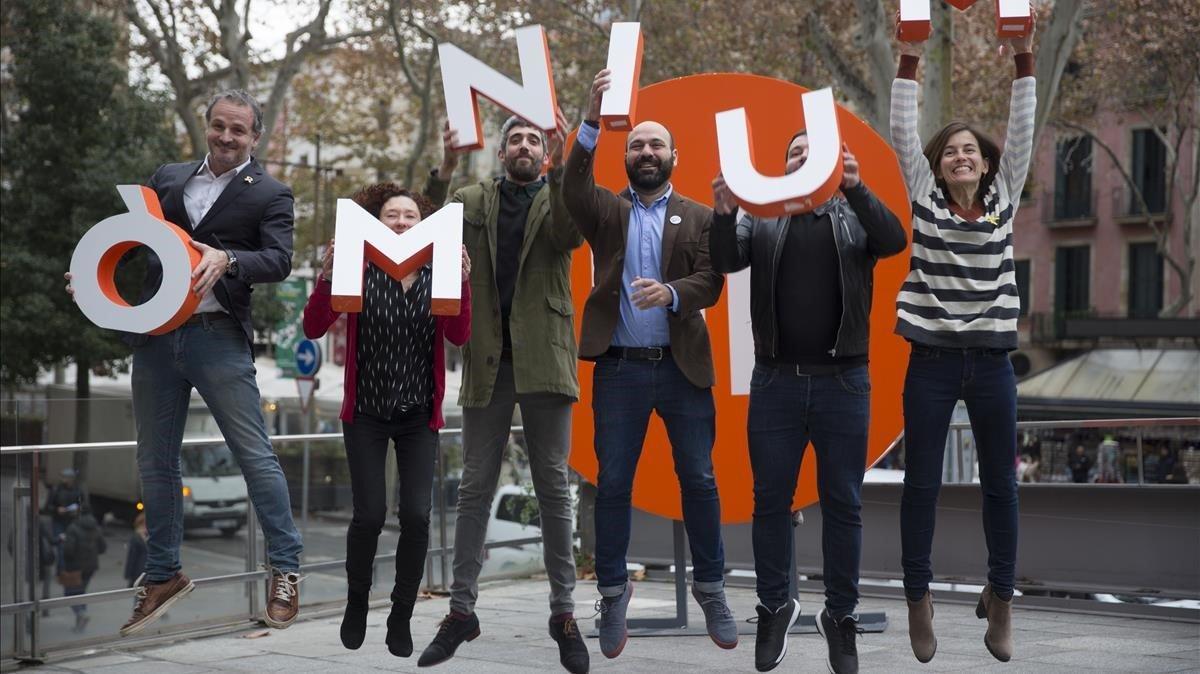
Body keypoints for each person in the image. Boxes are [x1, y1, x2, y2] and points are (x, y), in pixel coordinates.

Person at [65, 89, 304, 636]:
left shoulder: (271, 192)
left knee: (254, 457)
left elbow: (280, 260)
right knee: (154, 461)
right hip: (154, 339)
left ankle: (286, 569)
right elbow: (132, 243)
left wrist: (229, 258)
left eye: (238, 130)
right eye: (218, 126)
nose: (226, 137)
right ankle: (163, 574)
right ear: (207, 126)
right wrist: (93, 282)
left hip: (217, 337)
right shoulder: (168, 178)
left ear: (255, 137)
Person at [711, 123, 907, 672]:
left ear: (830, 162)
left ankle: (840, 618)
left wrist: (856, 187)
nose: (802, 158)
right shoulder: (763, 216)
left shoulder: (853, 213)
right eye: (793, 151)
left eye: (811, 152)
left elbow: (894, 242)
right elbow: (727, 262)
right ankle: (775, 606)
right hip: (775, 381)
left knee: (842, 503)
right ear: (781, 166)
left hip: (844, 383)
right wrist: (725, 212)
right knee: (770, 500)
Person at [558, 69, 733, 660]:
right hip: (621, 371)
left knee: (700, 480)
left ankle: (711, 589)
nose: (647, 152)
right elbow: (571, 187)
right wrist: (588, 119)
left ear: (674, 156)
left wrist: (675, 293)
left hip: (682, 370)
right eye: (637, 145)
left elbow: (712, 280)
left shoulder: (701, 215)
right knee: (613, 484)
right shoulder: (606, 212)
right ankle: (612, 596)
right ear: (625, 155)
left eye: (656, 144)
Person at [417, 115, 589, 674]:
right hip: (488, 361)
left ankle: (564, 614)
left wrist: (563, 167)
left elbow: (571, 233)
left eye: (533, 141)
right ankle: (461, 611)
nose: (523, 146)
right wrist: (444, 165)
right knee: (472, 490)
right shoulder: (473, 198)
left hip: (546, 360)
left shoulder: (557, 193)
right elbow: (421, 225)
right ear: (500, 149)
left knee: (554, 492)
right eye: (515, 138)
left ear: (543, 153)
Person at [891, 11, 1037, 664]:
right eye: (950, 150)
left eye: (969, 151)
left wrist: (1024, 61)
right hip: (930, 365)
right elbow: (901, 131)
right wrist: (907, 61)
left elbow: (1025, 132)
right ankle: (918, 600)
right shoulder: (923, 199)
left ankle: (1000, 599)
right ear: (938, 165)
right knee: (920, 484)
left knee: (1001, 488)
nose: (959, 156)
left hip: (992, 366)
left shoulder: (1006, 198)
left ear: (984, 165)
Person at [303, 176, 472, 656]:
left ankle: (401, 614)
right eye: (391, 216)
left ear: (424, 225)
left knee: (417, 515)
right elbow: (313, 327)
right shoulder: (357, 268)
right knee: (369, 515)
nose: (400, 222)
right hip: (367, 413)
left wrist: (461, 280)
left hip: (419, 415)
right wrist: (328, 274)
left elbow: (459, 336)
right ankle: (357, 602)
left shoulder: (440, 271)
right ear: (376, 224)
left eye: (410, 217)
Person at [61, 506, 107, 633]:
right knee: (81, 592)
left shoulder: (73, 528)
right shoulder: (96, 528)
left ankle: (81, 613)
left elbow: (68, 550)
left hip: (75, 566)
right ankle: (80, 623)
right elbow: (103, 548)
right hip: (91, 567)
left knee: (69, 593)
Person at [124, 513, 149, 588]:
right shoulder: (136, 538)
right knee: (138, 595)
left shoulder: (150, 537)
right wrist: (128, 574)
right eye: (144, 525)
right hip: (138, 573)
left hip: (148, 573)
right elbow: (131, 557)